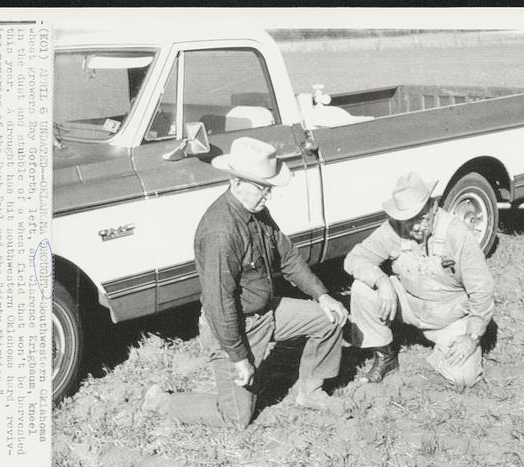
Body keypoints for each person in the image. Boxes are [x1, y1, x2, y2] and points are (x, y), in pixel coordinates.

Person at [159, 136, 349, 429]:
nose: (267, 196)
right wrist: (239, 357)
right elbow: (219, 305)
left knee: (330, 320)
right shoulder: (221, 231)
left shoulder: (256, 211)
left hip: (267, 313)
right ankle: (162, 402)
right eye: (263, 188)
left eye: (269, 189)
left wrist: (322, 295)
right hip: (235, 327)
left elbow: (286, 256)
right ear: (236, 183)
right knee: (237, 418)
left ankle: (309, 392)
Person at [344, 171, 495, 388]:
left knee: (464, 377)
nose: (414, 227)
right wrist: (381, 281)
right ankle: (384, 356)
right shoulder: (393, 229)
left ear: (433, 207)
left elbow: (482, 289)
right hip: (409, 306)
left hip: (449, 317)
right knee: (362, 288)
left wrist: (472, 336)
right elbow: (355, 259)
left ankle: (441, 348)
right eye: (407, 220)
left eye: (421, 218)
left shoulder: (457, 233)